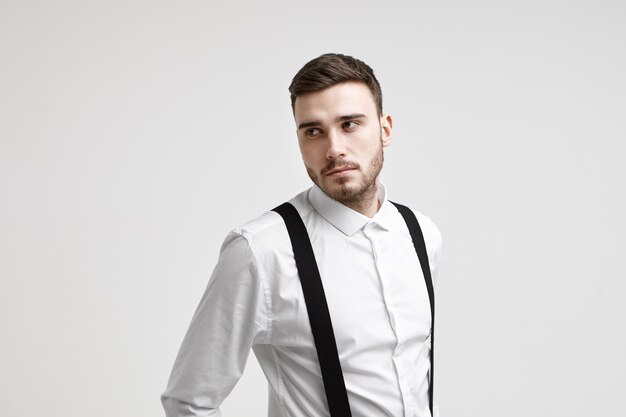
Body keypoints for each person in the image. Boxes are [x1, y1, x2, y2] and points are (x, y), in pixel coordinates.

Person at [161, 53, 443, 417]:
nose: (334, 148)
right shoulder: (261, 251)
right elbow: (189, 400)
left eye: (350, 124)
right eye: (313, 131)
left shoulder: (421, 234)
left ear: (385, 129)